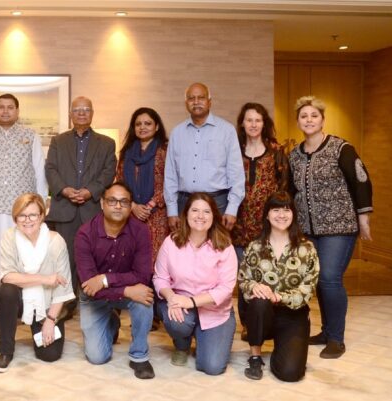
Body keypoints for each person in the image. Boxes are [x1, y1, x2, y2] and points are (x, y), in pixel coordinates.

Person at [288, 96, 373, 359]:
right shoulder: (295, 155)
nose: (309, 120)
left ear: (323, 119)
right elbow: (292, 191)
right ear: (298, 121)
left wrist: (363, 218)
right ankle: (326, 331)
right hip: (308, 229)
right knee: (318, 281)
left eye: (314, 115)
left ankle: (336, 339)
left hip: (340, 227)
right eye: (304, 116)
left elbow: (361, 181)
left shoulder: (341, 148)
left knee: (330, 279)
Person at [0, 93, 48, 322]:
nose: (5, 111)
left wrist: (40, 206)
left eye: (10, 107)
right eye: (1, 107)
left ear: (17, 111)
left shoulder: (29, 136)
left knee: (22, 255)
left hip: (22, 210)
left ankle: (22, 303)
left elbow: (39, 171)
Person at [75, 183, 155, 379]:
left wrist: (104, 279)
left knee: (144, 297)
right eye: (112, 201)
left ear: (130, 206)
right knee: (97, 357)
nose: (118, 206)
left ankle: (139, 356)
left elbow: (143, 275)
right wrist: (126, 290)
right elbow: (89, 285)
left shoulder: (141, 231)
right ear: (102, 203)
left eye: (124, 202)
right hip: (94, 298)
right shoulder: (85, 234)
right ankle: (112, 322)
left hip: (122, 291)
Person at [45, 96, 116, 315]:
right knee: (65, 259)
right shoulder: (58, 141)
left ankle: (94, 301)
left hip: (92, 209)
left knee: (95, 258)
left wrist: (90, 191)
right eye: (77, 110)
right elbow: (51, 169)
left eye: (86, 109)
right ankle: (66, 304)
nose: (82, 113)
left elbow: (108, 172)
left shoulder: (106, 143)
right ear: (70, 114)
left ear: (92, 113)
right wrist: (65, 190)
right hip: (65, 210)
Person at [238, 191, 319, 382]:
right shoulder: (255, 247)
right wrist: (254, 286)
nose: (281, 215)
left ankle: (283, 350)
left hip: (293, 315)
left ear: (293, 214)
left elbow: (308, 289)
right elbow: (243, 279)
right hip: (263, 313)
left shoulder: (306, 249)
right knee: (258, 301)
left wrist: (280, 297)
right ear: (267, 214)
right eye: (275, 209)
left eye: (286, 210)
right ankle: (255, 356)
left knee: (290, 374)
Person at [153, 192, 237, 376]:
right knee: (177, 322)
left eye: (206, 211)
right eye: (195, 210)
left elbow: (225, 289)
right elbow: (160, 278)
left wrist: (190, 302)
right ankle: (182, 345)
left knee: (212, 367)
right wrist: (172, 297)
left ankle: (203, 337)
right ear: (186, 214)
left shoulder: (225, 246)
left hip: (215, 311)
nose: (200, 216)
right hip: (180, 306)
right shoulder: (171, 242)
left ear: (214, 216)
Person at [0, 193, 75, 373]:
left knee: (50, 355)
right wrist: (45, 279)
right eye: (22, 215)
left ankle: (40, 325)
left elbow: (62, 287)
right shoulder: (9, 237)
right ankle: (6, 350)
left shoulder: (56, 241)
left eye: (33, 215)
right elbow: (7, 276)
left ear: (41, 216)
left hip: (47, 305)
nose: (27, 220)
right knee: (6, 291)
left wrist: (51, 320)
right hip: (20, 300)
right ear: (15, 218)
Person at [229, 103, 289, 339]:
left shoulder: (276, 152)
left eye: (258, 120)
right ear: (242, 124)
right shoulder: (233, 150)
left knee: (265, 275)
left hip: (267, 228)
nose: (253, 124)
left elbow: (284, 190)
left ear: (264, 124)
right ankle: (247, 324)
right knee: (243, 276)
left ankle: (266, 323)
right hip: (237, 227)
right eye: (249, 120)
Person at [164, 82, 245, 232]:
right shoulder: (177, 133)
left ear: (209, 101)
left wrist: (232, 209)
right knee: (184, 250)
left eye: (201, 98)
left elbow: (236, 173)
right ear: (186, 103)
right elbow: (170, 175)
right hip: (184, 203)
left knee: (217, 250)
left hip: (218, 203)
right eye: (191, 98)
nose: (196, 102)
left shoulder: (226, 130)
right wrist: (172, 210)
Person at [116, 107, 169, 263]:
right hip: (130, 213)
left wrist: (148, 206)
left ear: (157, 126)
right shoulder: (126, 152)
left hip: (157, 214)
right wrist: (133, 206)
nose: (142, 127)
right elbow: (120, 182)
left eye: (147, 123)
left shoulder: (165, 150)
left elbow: (170, 182)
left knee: (155, 260)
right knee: (131, 258)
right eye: (138, 124)